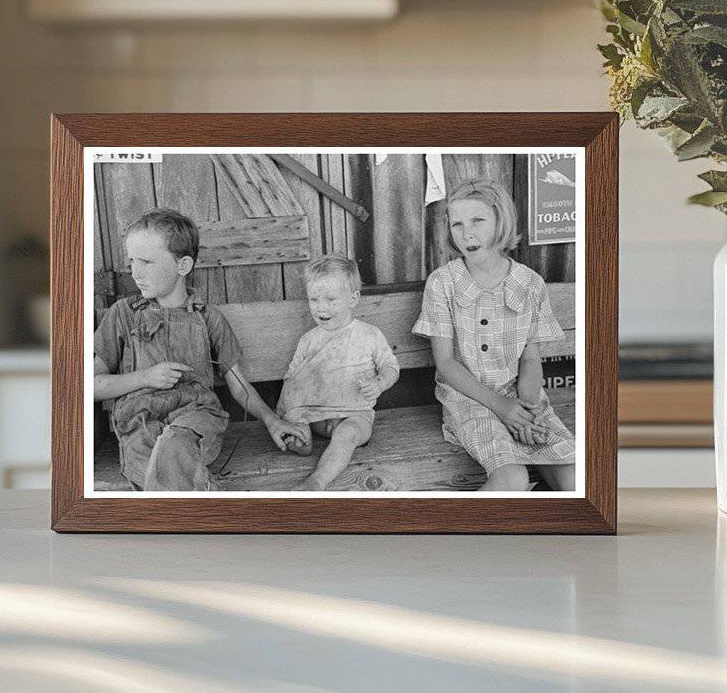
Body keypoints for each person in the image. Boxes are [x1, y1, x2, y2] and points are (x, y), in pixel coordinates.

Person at [93, 208, 299, 491]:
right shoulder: (123, 315)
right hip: (138, 423)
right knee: (157, 471)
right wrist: (145, 378)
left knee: (174, 446)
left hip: (196, 418)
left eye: (146, 261)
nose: (134, 271)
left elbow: (238, 386)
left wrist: (272, 421)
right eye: (131, 260)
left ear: (183, 265)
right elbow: (89, 386)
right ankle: (214, 511)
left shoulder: (208, 318)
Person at [412, 177, 574, 492]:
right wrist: (501, 407)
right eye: (456, 224)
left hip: (522, 396)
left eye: (477, 220)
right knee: (513, 478)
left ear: (500, 221)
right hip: (467, 398)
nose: (467, 232)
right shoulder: (443, 283)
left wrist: (526, 410)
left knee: (575, 475)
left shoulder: (529, 284)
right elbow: (445, 364)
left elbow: (530, 358)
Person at [274, 255, 400, 491]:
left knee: (347, 435)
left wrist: (379, 382)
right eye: (314, 299)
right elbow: (292, 380)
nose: (321, 307)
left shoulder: (369, 335)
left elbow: (390, 366)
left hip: (355, 414)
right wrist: (292, 411)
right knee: (294, 420)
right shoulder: (309, 340)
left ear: (353, 299)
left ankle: (318, 480)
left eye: (331, 299)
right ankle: (303, 439)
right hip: (315, 415)